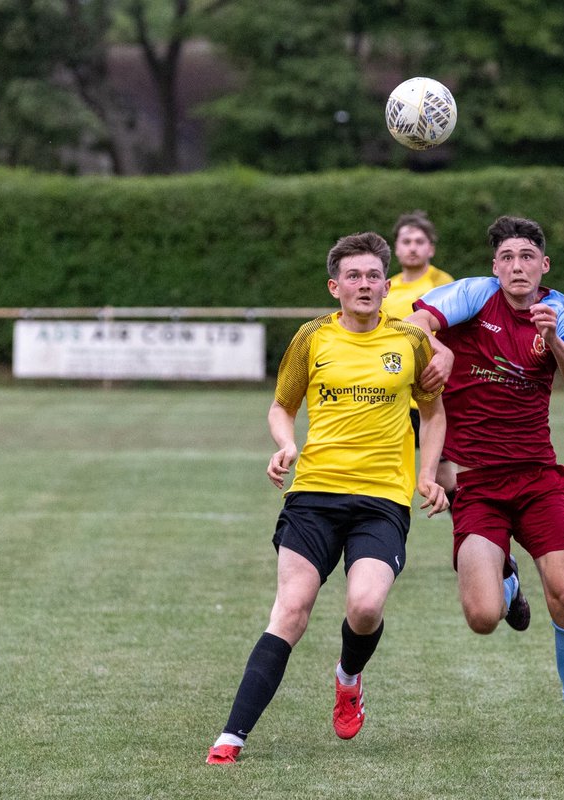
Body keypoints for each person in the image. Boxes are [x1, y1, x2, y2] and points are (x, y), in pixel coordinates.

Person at [206, 232, 450, 765]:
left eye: (373, 276)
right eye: (353, 276)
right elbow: (281, 405)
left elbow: (434, 413)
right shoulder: (312, 338)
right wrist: (285, 443)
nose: (364, 284)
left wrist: (428, 473)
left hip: (382, 500)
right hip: (314, 494)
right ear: (334, 286)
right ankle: (231, 737)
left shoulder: (410, 342)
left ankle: (348, 676)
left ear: (387, 286)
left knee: (365, 606)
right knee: (290, 610)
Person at [406, 215, 564, 746]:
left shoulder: (558, 309)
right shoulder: (474, 295)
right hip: (477, 484)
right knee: (483, 617)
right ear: (495, 267)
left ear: (544, 265)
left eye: (527, 257)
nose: (517, 266)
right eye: (507, 258)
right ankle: (507, 579)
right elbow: (413, 325)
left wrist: (553, 340)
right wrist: (441, 349)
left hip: (540, 479)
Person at [381, 211, 454, 447]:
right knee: (394, 456)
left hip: (433, 385)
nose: (413, 248)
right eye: (406, 241)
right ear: (396, 248)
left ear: (431, 249)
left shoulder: (443, 284)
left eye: (419, 242)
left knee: (441, 462)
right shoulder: (386, 288)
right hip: (394, 386)